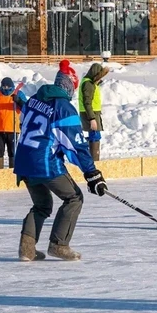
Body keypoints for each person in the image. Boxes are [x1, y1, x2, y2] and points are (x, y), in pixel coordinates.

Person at [13, 65, 107, 262]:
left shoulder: (34, 99)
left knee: (42, 204)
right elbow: (76, 145)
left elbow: (25, 124)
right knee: (74, 198)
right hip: (45, 163)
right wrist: (91, 173)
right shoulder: (63, 108)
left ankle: (26, 249)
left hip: (23, 160)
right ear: (69, 87)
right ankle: (59, 245)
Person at [0, 77, 28, 170]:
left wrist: (19, 101)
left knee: (12, 153)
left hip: (13, 130)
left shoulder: (18, 94)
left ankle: (12, 172)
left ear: (12, 87)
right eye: (4, 87)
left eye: (8, 87)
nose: (6, 89)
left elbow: (27, 108)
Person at [78, 62, 109, 161]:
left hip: (92, 113)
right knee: (95, 136)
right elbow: (87, 102)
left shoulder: (89, 82)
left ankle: (89, 156)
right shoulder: (88, 84)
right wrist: (92, 118)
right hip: (90, 114)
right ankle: (93, 161)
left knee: (94, 136)